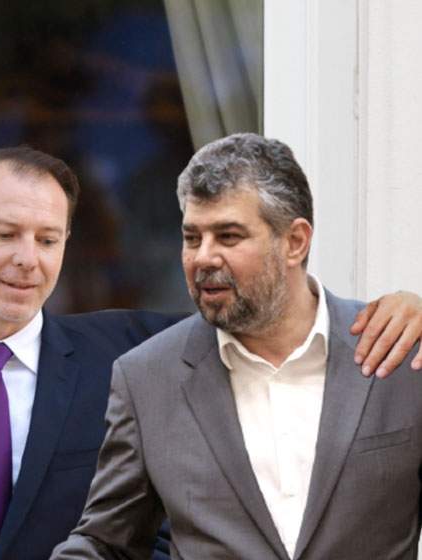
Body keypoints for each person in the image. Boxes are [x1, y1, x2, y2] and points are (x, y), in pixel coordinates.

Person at [0, 146, 421, 560]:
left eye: (48, 239)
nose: (28, 260)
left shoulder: (133, 353)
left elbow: (264, 312)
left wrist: (409, 309)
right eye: (6, 234)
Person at [51, 133, 422, 559]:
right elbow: (105, 543)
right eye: (193, 238)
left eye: (228, 236)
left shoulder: (398, 351)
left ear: (295, 242)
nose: (203, 258)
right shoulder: (148, 378)